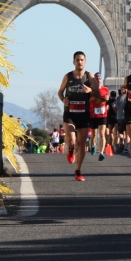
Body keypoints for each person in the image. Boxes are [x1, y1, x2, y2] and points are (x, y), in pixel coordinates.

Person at [57, 51, 93, 180]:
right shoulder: (68, 76)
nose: (79, 62)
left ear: (85, 62)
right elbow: (60, 92)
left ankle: (78, 171)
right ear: (74, 62)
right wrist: (63, 99)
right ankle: (71, 149)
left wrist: (91, 90)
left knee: (81, 143)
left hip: (84, 114)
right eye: (77, 60)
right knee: (72, 140)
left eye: (82, 60)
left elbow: (98, 93)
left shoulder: (89, 76)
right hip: (70, 113)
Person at [90, 73, 110, 161]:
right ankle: (93, 145)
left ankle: (101, 152)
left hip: (103, 115)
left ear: (101, 80)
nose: (98, 80)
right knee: (93, 134)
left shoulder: (105, 89)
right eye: (96, 79)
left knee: (102, 134)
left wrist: (107, 98)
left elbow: (108, 98)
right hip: (93, 115)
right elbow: (88, 100)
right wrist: (95, 97)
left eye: (99, 78)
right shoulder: (91, 90)